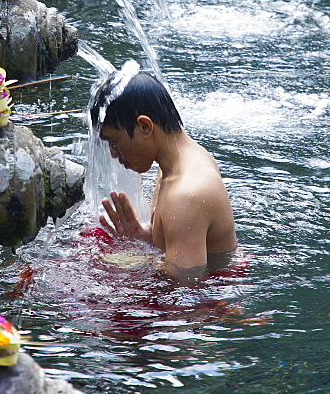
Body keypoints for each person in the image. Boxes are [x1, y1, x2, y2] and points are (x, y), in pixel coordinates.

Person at [89, 65, 238, 278]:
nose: (114, 154)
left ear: (145, 127)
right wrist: (146, 238)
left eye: (114, 142)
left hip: (213, 304)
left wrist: (136, 260)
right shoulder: (175, 164)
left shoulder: (186, 194)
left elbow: (184, 287)